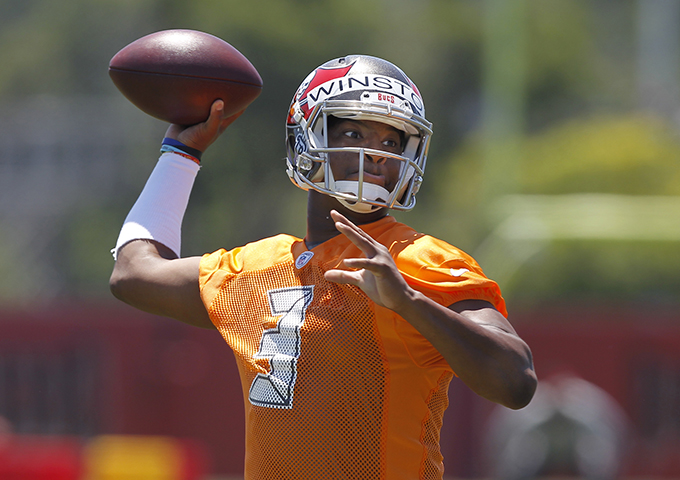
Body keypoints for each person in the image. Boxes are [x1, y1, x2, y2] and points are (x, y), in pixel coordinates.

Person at [110, 55, 537, 480]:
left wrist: (409, 302)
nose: (375, 155)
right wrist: (181, 152)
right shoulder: (258, 267)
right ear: (307, 138)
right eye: (353, 132)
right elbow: (133, 274)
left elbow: (514, 381)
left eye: (391, 142)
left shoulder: (420, 259)